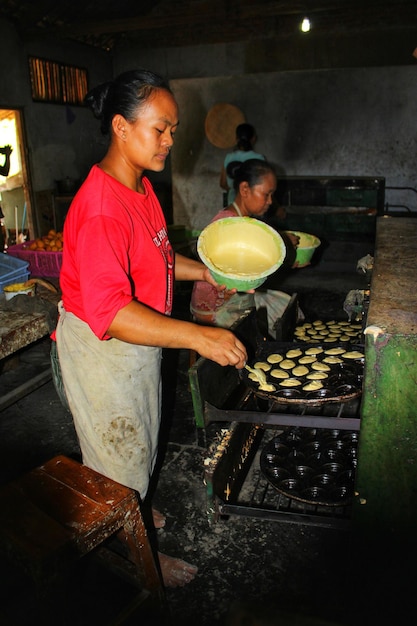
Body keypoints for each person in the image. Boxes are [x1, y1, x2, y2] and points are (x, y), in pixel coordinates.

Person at [54, 69, 247, 589]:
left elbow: (157, 259)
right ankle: (136, 556)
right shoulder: (100, 209)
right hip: (105, 347)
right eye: (159, 129)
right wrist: (198, 334)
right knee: (117, 455)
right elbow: (112, 311)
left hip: (139, 340)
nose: (169, 141)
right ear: (121, 126)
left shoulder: (138, 187)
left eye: (172, 129)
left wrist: (203, 270)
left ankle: (135, 504)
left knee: (143, 435)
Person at [192, 159, 300, 334]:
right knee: (274, 324)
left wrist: (285, 261)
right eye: (267, 194)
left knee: (288, 307)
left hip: (234, 295)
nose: (271, 201)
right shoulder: (226, 222)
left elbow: (250, 268)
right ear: (244, 190)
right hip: (216, 307)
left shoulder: (245, 221)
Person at [220, 123, 265, 205]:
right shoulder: (259, 159)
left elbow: (223, 183)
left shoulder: (228, 158)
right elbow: (264, 186)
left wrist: (234, 190)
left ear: (236, 139)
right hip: (253, 205)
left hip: (233, 205)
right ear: (254, 139)